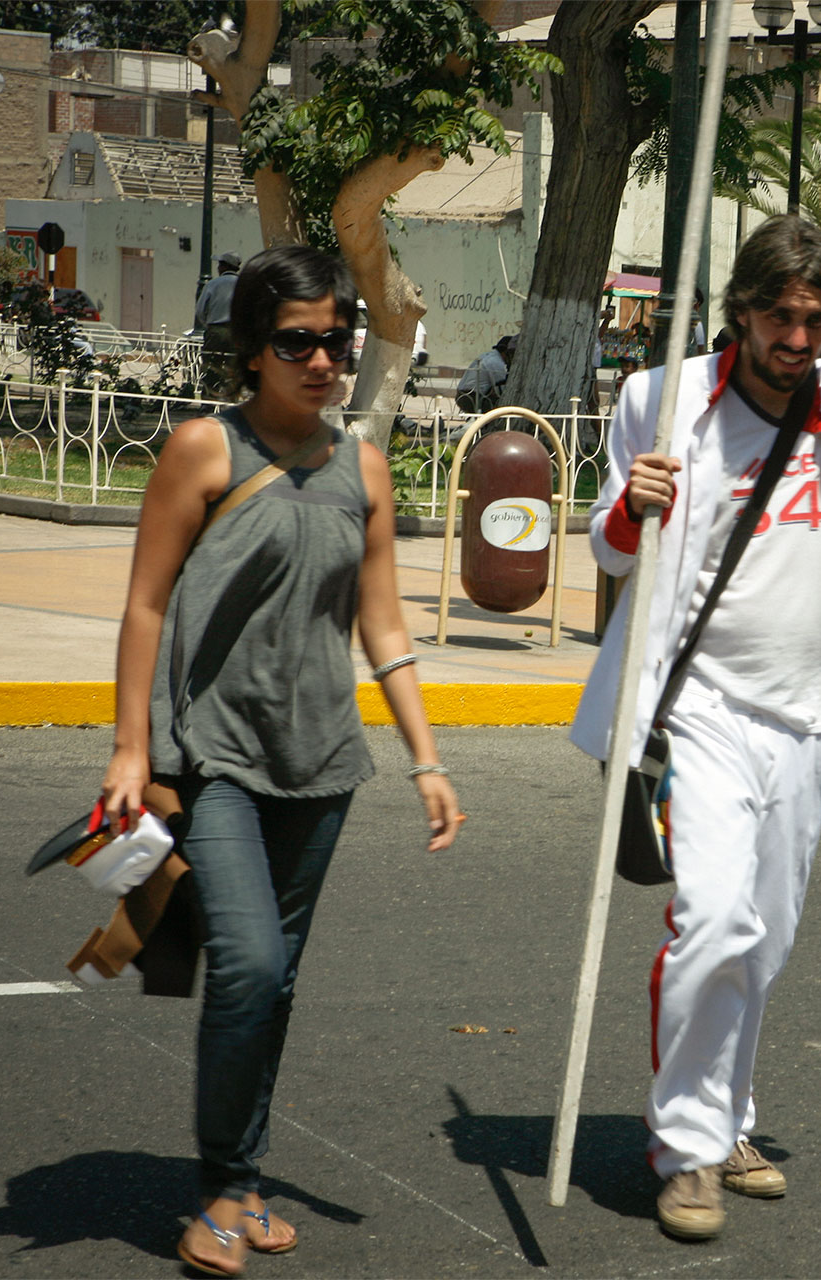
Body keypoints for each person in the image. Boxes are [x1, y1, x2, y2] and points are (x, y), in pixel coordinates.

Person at [571, 214, 821, 1242]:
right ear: (742, 313)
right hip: (698, 701)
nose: (796, 340)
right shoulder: (662, 399)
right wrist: (633, 504)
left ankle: (728, 1116)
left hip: (805, 714)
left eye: (815, 320)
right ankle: (687, 1150)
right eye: (778, 318)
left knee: (764, 939)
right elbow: (613, 546)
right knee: (711, 920)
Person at [101, 244, 463, 1279]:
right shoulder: (203, 451)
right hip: (212, 754)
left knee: (276, 980)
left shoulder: (365, 466)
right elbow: (145, 602)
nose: (321, 360)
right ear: (253, 350)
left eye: (336, 340)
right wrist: (133, 746)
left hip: (321, 767)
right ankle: (220, 1184)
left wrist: (427, 758)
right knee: (251, 963)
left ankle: (243, 1178)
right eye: (296, 340)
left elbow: (384, 624)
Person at [194, 252, 242, 396]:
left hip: (216, 330)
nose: (218, 267)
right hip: (236, 332)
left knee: (211, 365)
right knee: (233, 366)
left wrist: (209, 323)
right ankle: (231, 398)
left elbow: (200, 310)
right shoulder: (244, 285)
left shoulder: (213, 284)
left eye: (220, 264)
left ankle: (208, 400)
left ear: (225, 266)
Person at [454, 334, 515, 416]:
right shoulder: (496, 363)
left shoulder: (486, 356)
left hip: (462, 395)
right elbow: (501, 390)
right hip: (472, 398)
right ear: (506, 352)